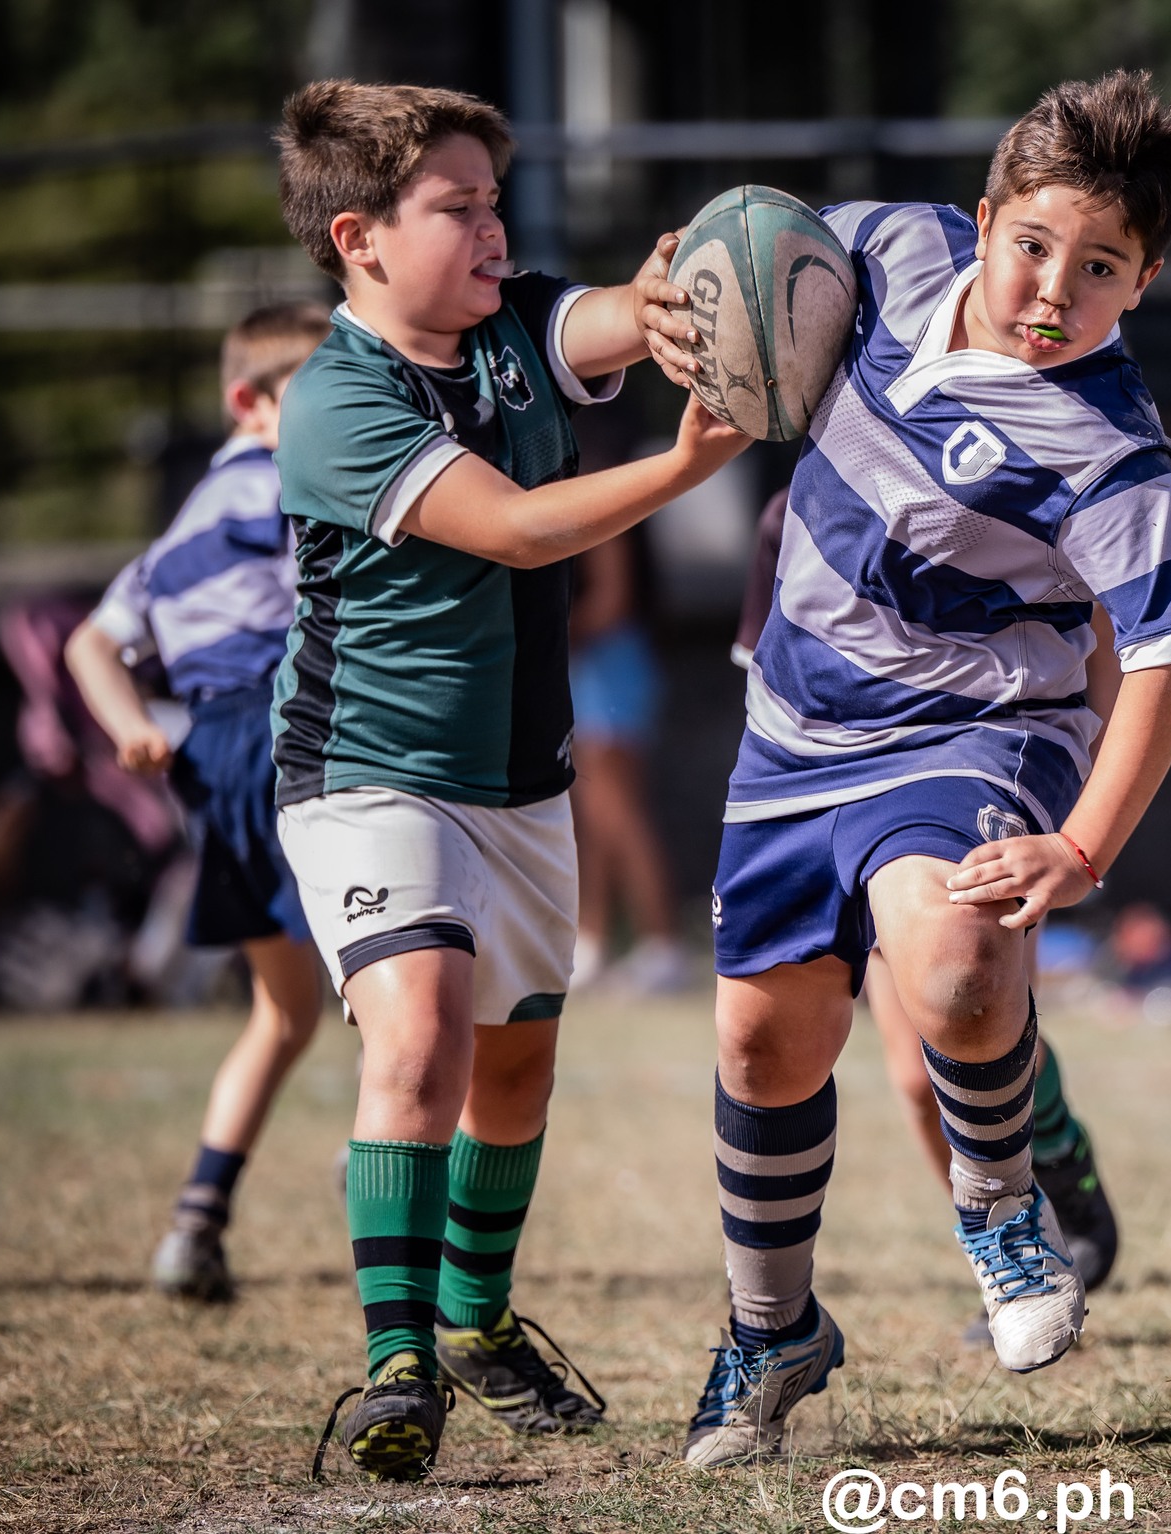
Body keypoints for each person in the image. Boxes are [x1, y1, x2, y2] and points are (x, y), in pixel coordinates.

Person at [646, 71, 1171, 1465]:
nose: (1054, 289)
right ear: (980, 222)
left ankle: (1002, 1208)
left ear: (1142, 282)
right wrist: (670, 301)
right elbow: (747, 256)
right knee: (762, 1037)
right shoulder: (886, 248)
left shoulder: (1107, 445)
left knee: (959, 963)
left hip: (979, 724)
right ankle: (769, 1327)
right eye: (1033, 245)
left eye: (1101, 268)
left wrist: (1083, 844)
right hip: (796, 722)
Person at [269, 80, 747, 1481]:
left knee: (517, 1061)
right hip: (371, 773)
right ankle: (397, 1361)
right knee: (420, 1035)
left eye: (496, 201)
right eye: (457, 208)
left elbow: (597, 313)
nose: (493, 230)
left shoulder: (513, 320)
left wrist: (676, 300)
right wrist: (679, 464)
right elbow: (526, 531)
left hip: (520, 777)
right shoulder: (337, 401)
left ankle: (476, 1318)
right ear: (359, 238)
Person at [733, 491, 1123, 1335]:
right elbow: (771, 686)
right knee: (917, 1083)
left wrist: (1084, 806)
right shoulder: (797, 515)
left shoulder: (1009, 481)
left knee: (953, 1027)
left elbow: (1097, 622)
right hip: (843, 795)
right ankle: (1008, 1247)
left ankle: (1057, 1175)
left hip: (972, 774)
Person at [63, 302, 332, 1301]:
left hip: (209, 754)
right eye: (323, 389)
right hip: (287, 730)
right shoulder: (283, 482)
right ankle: (390, 1164)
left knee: (286, 1007)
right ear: (249, 406)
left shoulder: (184, 522)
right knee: (407, 979)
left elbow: (88, 641)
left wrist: (131, 723)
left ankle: (195, 1222)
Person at [569, 530, 686, 993]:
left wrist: (545, 630)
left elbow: (610, 601)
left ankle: (663, 944)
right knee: (593, 821)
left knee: (621, 814)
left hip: (610, 665)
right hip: (590, 668)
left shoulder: (601, 488)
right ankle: (592, 942)